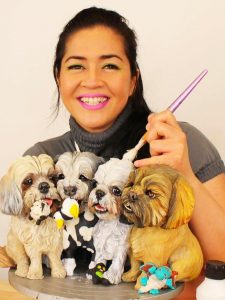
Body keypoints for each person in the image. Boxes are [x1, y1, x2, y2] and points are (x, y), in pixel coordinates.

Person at [6, 6, 225, 299]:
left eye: (109, 65)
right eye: (76, 66)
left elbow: (221, 261)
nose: (93, 80)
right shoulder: (41, 164)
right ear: (58, 78)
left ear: (133, 79)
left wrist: (183, 172)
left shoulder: (177, 144)